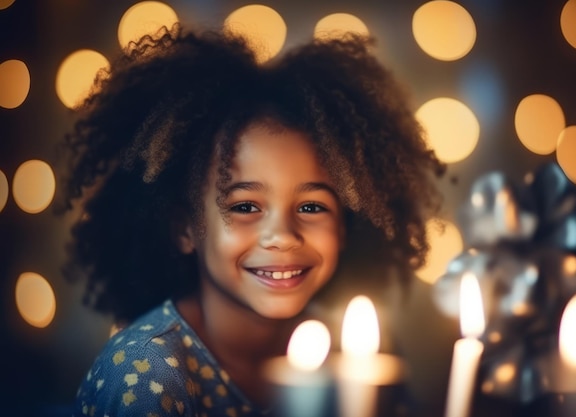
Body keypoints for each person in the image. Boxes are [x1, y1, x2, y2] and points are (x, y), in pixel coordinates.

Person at [58, 23, 444, 417]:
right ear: (184, 228)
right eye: (245, 207)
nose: (281, 236)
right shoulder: (146, 373)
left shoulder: (356, 356)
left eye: (312, 207)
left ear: (347, 225)